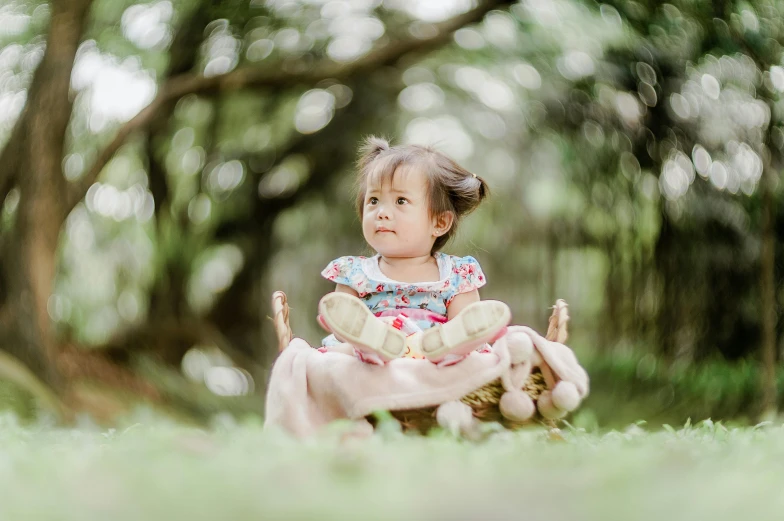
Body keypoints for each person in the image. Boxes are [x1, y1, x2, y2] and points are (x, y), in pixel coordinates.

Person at [317, 136, 511, 366]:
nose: (381, 212)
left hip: (433, 362)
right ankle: (374, 343)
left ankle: (437, 348)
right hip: (370, 363)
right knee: (339, 353)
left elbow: (466, 331)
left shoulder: (457, 275)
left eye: (400, 201)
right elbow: (341, 326)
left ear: (439, 222)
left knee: (466, 350)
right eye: (373, 200)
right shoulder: (354, 272)